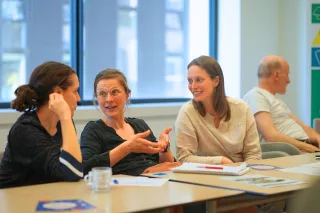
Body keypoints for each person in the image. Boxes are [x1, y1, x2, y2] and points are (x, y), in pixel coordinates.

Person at [175, 55, 284, 213]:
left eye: (199, 80)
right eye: (190, 81)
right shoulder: (187, 112)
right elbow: (184, 158)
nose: (193, 86)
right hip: (207, 179)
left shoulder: (241, 108)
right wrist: (221, 161)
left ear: (216, 81)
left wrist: (248, 179)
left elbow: (253, 153)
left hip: (243, 177)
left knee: (279, 198)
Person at [80, 69, 180, 176]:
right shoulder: (93, 130)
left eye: (115, 92)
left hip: (158, 182)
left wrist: (163, 148)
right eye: (102, 94)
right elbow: (85, 168)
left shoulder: (139, 125)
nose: (108, 99)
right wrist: (127, 148)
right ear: (97, 98)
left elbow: (166, 164)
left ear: (127, 94)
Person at [0, 61, 83, 189]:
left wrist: (65, 119)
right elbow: (72, 172)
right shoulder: (25, 130)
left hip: (47, 198)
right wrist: (65, 117)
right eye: (75, 91)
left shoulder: (62, 123)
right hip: (16, 203)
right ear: (58, 93)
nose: (78, 98)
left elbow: (75, 169)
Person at [243, 55, 320, 153]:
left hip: (306, 147)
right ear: (276, 75)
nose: (289, 81)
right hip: (294, 150)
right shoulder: (255, 96)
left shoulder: (276, 99)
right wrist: (310, 148)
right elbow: (271, 136)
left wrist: (318, 138)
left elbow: (303, 127)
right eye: (287, 75)